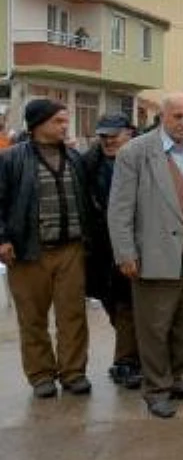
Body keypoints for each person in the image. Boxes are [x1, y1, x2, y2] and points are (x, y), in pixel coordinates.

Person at [109, 93, 183, 418]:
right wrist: (125, 253)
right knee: (155, 327)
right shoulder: (135, 152)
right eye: (177, 117)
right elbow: (120, 208)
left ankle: (178, 378)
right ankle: (156, 389)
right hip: (154, 256)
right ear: (162, 117)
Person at [0, 99, 96, 398]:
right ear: (38, 124)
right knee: (32, 317)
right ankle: (41, 375)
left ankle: (73, 372)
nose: (65, 126)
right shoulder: (11, 159)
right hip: (28, 251)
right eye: (58, 121)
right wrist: (3, 239)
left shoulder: (76, 158)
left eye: (65, 120)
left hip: (71, 250)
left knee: (73, 315)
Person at [82, 112, 141, 389]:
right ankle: (130, 358)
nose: (108, 141)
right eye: (103, 135)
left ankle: (126, 361)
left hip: (136, 246)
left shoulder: (145, 159)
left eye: (113, 135)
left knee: (127, 305)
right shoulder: (88, 164)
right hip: (100, 250)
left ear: (130, 132)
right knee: (114, 306)